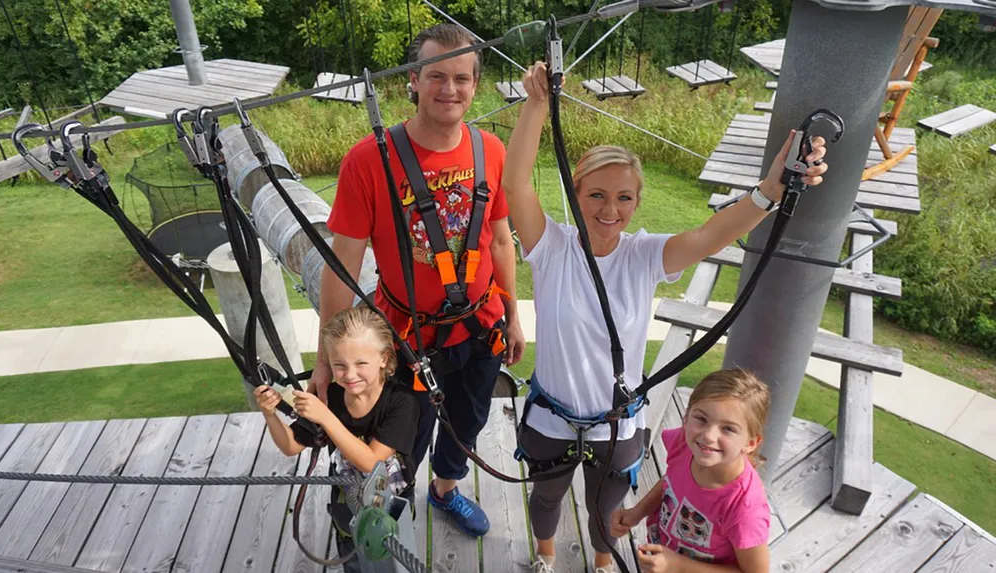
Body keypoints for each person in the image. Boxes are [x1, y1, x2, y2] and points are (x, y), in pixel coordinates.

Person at [500, 61, 828, 573]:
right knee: (545, 500)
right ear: (576, 193)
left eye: (624, 198)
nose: (611, 210)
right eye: (597, 195)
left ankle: (604, 565)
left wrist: (772, 190)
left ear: (637, 202)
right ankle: (545, 556)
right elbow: (514, 183)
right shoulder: (552, 247)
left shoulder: (644, 256)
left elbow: (709, 235)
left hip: (617, 424)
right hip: (551, 417)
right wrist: (537, 104)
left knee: (607, 510)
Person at [310, 23, 526, 538]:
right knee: (398, 443)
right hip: (409, 339)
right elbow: (341, 269)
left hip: (480, 329)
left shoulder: (489, 151)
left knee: (466, 424)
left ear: (475, 84)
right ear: (413, 80)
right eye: (436, 76)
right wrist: (324, 359)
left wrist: (514, 314)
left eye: (461, 78)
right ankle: (376, 527)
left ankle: (447, 489)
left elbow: (500, 241)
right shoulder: (369, 161)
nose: (449, 90)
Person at [255, 305, 420, 572]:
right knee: (353, 554)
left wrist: (326, 417)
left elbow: (373, 462)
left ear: (384, 358)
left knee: (394, 558)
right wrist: (270, 414)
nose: (350, 374)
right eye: (339, 365)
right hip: (347, 503)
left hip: (392, 501)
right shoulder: (329, 397)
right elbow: (290, 445)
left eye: (361, 363)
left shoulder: (402, 403)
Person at [610, 369, 772, 572]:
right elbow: (671, 481)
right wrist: (638, 511)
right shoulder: (686, 446)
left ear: (751, 443)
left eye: (728, 429)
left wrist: (678, 565)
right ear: (686, 417)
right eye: (701, 419)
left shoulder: (745, 508)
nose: (708, 436)